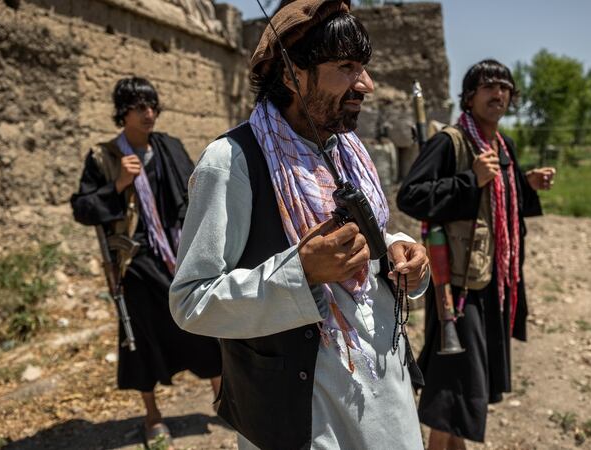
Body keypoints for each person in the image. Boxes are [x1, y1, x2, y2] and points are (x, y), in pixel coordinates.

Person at [169, 1, 430, 449]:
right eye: (347, 67)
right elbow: (191, 301)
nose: (365, 84)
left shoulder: (346, 150)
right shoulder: (230, 163)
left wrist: (400, 248)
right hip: (305, 415)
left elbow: (365, 239)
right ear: (292, 74)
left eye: (364, 67)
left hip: (384, 389)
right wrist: (300, 274)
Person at [397, 59, 556, 449]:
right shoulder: (449, 142)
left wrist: (526, 183)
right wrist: (470, 180)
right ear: (470, 97)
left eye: (504, 87)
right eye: (488, 86)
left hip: (493, 282)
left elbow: (503, 200)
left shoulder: (503, 146)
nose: (498, 93)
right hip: (456, 284)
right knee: (455, 383)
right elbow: (412, 196)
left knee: (467, 385)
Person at [70, 77, 222, 448]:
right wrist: (119, 184)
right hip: (136, 263)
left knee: (205, 325)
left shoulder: (168, 147)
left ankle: (223, 399)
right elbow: (83, 208)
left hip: (179, 254)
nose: (149, 113)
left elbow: (195, 191)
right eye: (140, 107)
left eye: (153, 105)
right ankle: (152, 415)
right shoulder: (103, 157)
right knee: (142, 340)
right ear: (123, 112)